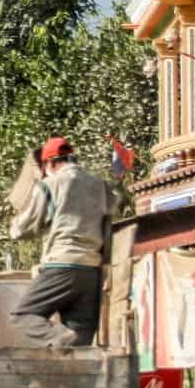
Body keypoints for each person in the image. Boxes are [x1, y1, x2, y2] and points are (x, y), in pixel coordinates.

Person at [9, 136, 114, 347]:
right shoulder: (101, 186)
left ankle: (60, 337)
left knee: (22, 315)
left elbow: (22, 229)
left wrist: (15, 225)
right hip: (91, 270)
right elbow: (109, 223)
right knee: (80, 340)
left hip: (62, 265)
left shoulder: (50, 184)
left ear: (49, 163)